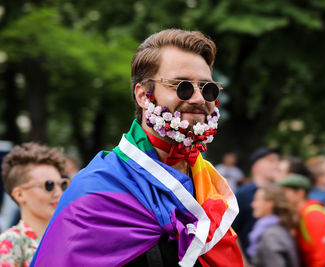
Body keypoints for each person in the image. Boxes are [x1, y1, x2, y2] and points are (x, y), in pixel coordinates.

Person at [31, 29, 242, 267]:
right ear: (143, 95)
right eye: (182, 86)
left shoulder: (210, 184)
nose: (198, 98)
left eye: (207, 88)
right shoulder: (94, 191)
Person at [0, 142, 68, 266]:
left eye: (62, 184)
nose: (59, 193)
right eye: (49, 185)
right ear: (19, 194)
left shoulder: (70, 237)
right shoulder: (10, 242)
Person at [278, 174, 325, 267]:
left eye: (285, 193)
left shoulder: (313, 216)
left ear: (300, 193)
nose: (282, 198)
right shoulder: (301, 215)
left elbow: (323, 259)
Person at [233, 146, 279, 260]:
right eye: (271, 160)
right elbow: (232, 231)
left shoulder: (280, 192)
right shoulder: (243, 194)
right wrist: (243, 262)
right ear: (256, 166)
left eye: (277, 160)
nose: (277, 164)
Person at [248, 184, 299, 267]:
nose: (253, 204)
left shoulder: (270, 235)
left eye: (257, 200)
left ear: (269, 204)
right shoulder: (277, 228)